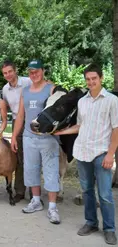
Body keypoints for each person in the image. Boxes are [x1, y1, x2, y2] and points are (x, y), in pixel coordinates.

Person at [54, 64, 118, 244]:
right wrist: (61, 132)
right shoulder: (82, 102)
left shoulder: (112, 101)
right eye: (88, 79)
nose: (91, 82)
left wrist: (110, 154)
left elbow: (116, 129)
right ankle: (91, 223)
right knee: (87, 191)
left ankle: (109, 228)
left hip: (101, 152)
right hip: (82, 152)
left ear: (101, 78)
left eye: (94, 79)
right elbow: (80, 126)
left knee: (104, 194)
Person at [11, 59, 61, 224]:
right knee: (30, 170)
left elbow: (60, 112)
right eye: (31, 72)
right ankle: (36, 201)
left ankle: (52, 207)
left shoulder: (51, 88)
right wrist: (14, 136)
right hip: (29, 137)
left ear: (43, 70)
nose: (34, 74)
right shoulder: (25, 91)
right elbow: (20, 116)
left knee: (51, 172)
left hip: (48, 138)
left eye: (37, 71)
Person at [1, 60, 32, 203]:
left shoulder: (28, 82)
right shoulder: (5, 89)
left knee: (32, 157)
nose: (8, 75)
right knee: (19, 157)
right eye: (5, 73)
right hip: (16, 122)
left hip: (32, 120)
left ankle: (34, 193)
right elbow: (6, 107)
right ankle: (19, 191)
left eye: (10, 71)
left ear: (15, 70)